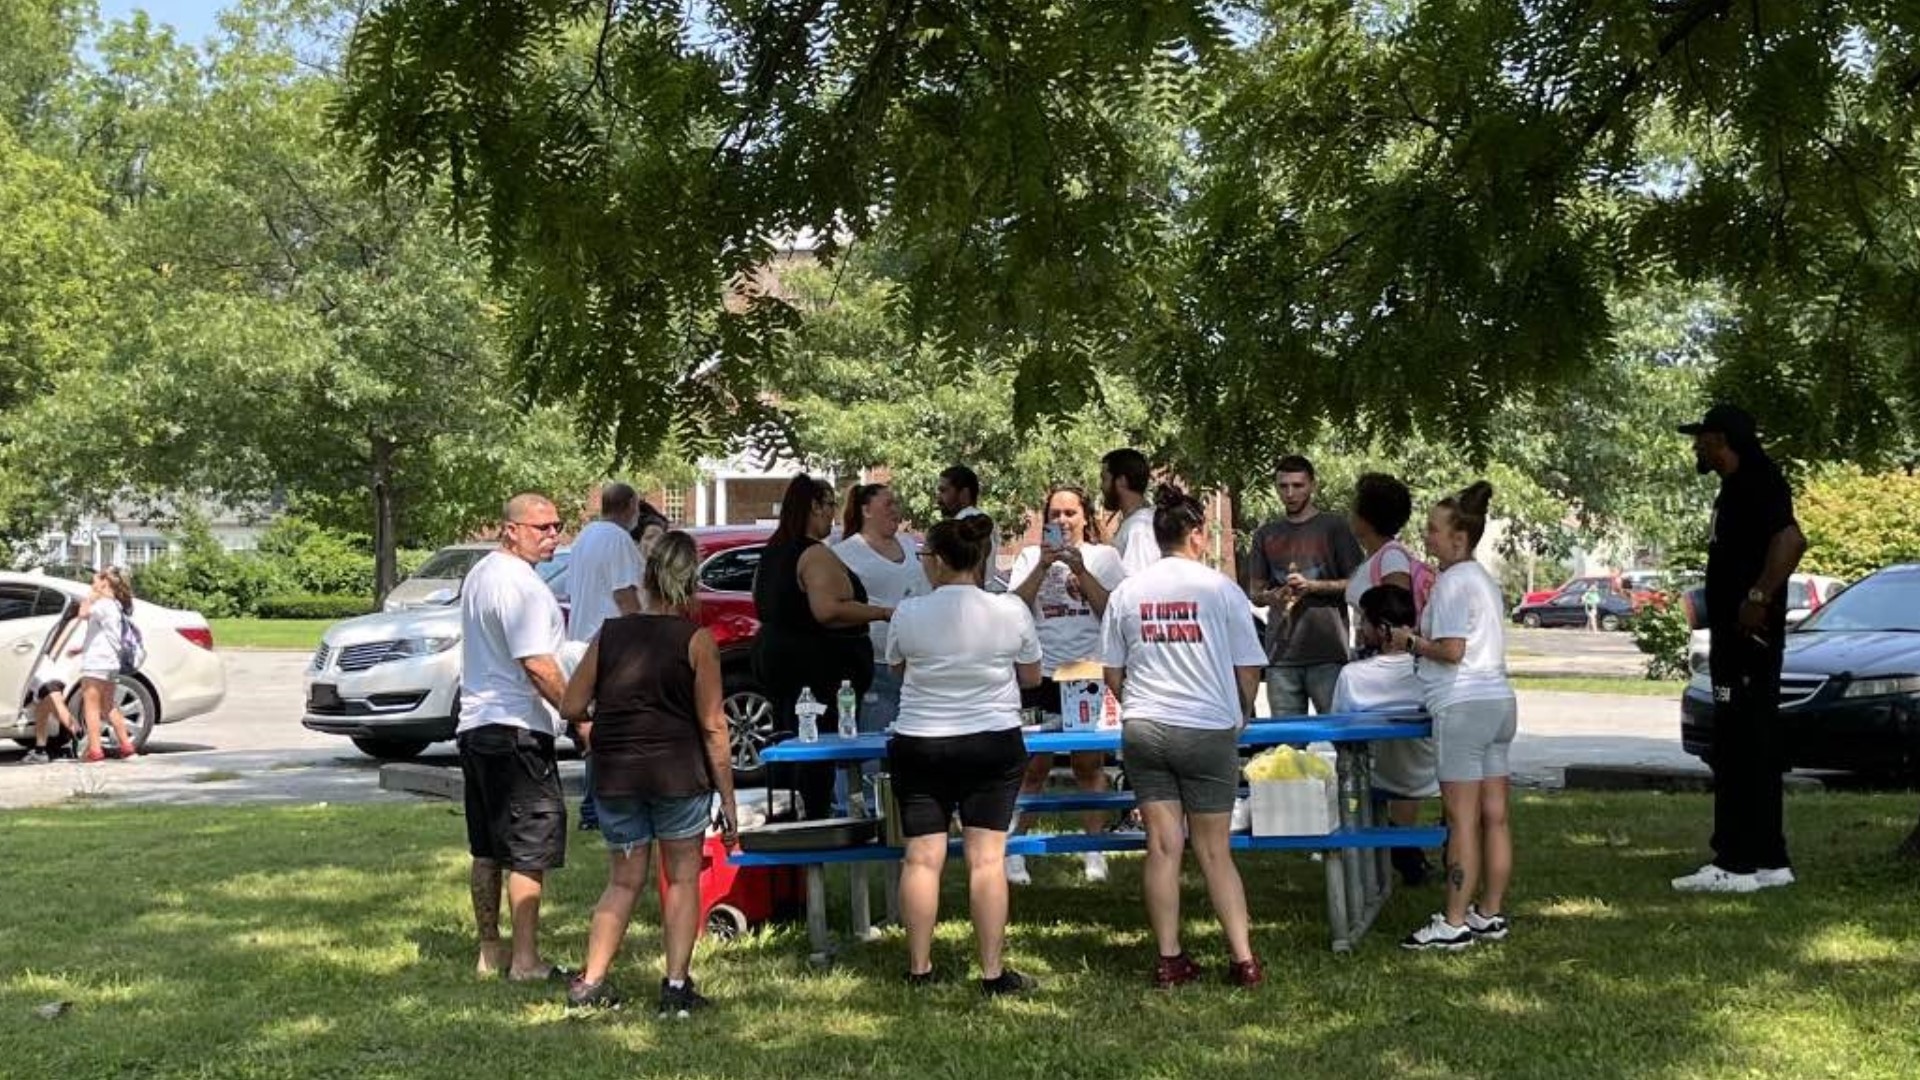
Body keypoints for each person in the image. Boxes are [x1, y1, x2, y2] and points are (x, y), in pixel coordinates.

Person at [560, 531, 740, 1017]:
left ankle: (591, 981)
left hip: (617, 774)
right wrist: (728, 798)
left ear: (645, 578)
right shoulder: (697, 641)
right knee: (681, 878)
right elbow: (713, 725)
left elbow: (571, 703)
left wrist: (606, 719)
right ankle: (676, 986)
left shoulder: (611, 634)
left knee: (622, 881)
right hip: (679, 774)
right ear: (691, 583)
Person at [1100, 485, 1268, 989]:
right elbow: (1248, 666)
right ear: (1197, 535)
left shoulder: (1129, 592)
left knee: (1162, 846)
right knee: (1214, 851)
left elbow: (1112, 671)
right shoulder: (1220, 589)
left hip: (1145, 727)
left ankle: (1170, 958)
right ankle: (1243, 960)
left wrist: (1134, 702)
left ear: (1155, 537)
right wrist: (1239, 714)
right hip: (1206, 726)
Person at [886, 515, 1044, 996]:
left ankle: (919, 968)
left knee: (921, 858)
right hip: (992, 740)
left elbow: (897, 668)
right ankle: (993, 972)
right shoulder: (1010, 609)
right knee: (987, 860)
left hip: (920, 741)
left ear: (936, 561)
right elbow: (1032, 677)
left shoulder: (908, 612)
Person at [1672, 404, 1806, 894]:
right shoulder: (1737, 487)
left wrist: (1757, 596)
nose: (1696, 446)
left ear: (1721, 439)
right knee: (1753, 743)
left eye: (1701, 437)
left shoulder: (1757, 481)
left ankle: (1736, 862)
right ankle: (1770, 859)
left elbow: (1791, 540)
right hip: (1736, 637)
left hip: (1749, 640)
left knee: (1738, 744)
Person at [1391, 482, 1516, 950]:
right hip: (1499, 703)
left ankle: (1454, 921)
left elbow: (1450, 650)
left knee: (1460, 818)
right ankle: (1490, 912)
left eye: (1433, 530)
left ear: (1458, 539)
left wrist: (1409, 642)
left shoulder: (1450, 583)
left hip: (1462, 707)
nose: (1427, 538)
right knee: (1495, 816)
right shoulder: (1484, 581)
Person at [457, 493, 572, 982]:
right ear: (510, 530)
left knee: (486, 847)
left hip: (476, 727)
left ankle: (490, 953)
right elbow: (538, 665)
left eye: (557, 526)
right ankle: (525, 960)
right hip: (516, 729)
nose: (553, 536)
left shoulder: (481, 575)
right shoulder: (518, 584)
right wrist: (578, 713)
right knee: (528, 849)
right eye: (541, 528)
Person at [1005, 483, 1127, 886]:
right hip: (1039, 675)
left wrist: (1079, 569)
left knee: (1088, 764)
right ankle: (1016, 852)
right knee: (1032, 766)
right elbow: (1013, 608)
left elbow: (1113, 609)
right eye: (1054, 514)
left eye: (1070, 513)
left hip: (1087, 674)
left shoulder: (1104, 557)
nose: (1062, 521)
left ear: (1085, 516)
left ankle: (1094, 851)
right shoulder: (1027, 557)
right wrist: (1042, 567)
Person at [751, 475, 893, 819]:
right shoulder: (812, 553)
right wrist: (883, 612)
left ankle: (794, 812)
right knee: (816, 748)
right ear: (813, 507)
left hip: (783, 665)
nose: (832, 515)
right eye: (829, 506)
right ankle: (815, 815)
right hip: (815, 671)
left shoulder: (772, 552)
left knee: (792, 739)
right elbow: (827, 609)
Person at [1332, 584, 1439, 885]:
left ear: (1382, 629)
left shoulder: (1353, 676)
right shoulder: (1431, 673)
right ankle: (1414, 853)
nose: (1360, 628)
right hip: (1435, 775)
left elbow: (1337, 731)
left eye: (1364, 621)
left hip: (1376, 777)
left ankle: (1394, 857)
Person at [1247, 455, 1364, 717]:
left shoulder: (1334, 527)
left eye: (1298, 485)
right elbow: (1255, 593)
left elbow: (1358, 584)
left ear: (1312, 485)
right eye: (1283, 486)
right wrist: (1273, 596)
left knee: (1346, 741)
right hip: (1280, 656)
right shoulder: (1266, 534)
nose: (1290, 493)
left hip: (1329, 654)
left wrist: (1312, 586)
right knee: (1287, 748)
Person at [568, 483, 649, 833]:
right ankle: (595, 808)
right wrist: (643, 639)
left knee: (596, 729)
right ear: (630, 505)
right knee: (611, 730)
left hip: (584, 639)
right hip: (611, 643)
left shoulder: (585, 536)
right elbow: (625, 594)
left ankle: (593, 808)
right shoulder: (617, 540)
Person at [833, 483, 931, 733]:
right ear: (866, 510)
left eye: (896, 504)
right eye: (888, 504)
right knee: (876, 741)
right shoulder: (844, 553)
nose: (895, 510)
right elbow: (838, 606)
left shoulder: (909, 544)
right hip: (875, 664)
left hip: (916, 663)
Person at [76, 568, 140, 762]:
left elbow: (82, 613)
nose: (92, 584)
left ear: (105, 583)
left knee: (91, 706)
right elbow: (105, 634)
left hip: (97, 662)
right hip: (111, 661)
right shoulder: (116, 605)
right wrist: (81, 649)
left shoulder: (103, 604)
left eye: (95, 581)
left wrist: (90, 597)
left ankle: (95, 751)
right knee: (108, 705)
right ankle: (127, 747)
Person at [1344, 473, 1422, 625]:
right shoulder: (1375, 556)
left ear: (1367, 518)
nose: (1350, 513)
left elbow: (1398, 618)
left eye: (1354, 508)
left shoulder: (1392, 558)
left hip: (1385, 649)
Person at [1101, 447, 1159, 576]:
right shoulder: (1136, 522)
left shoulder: (1139, 529)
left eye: (1104, 479)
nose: (1101, 486)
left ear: (1121, 481)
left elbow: (1137, 585)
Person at [20, 654, 79, 765]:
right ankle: (40, 751)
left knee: (60, 711)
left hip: (45, 683)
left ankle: (81, 738)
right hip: (53, 680)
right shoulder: (39, 652)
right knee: (42, 712)